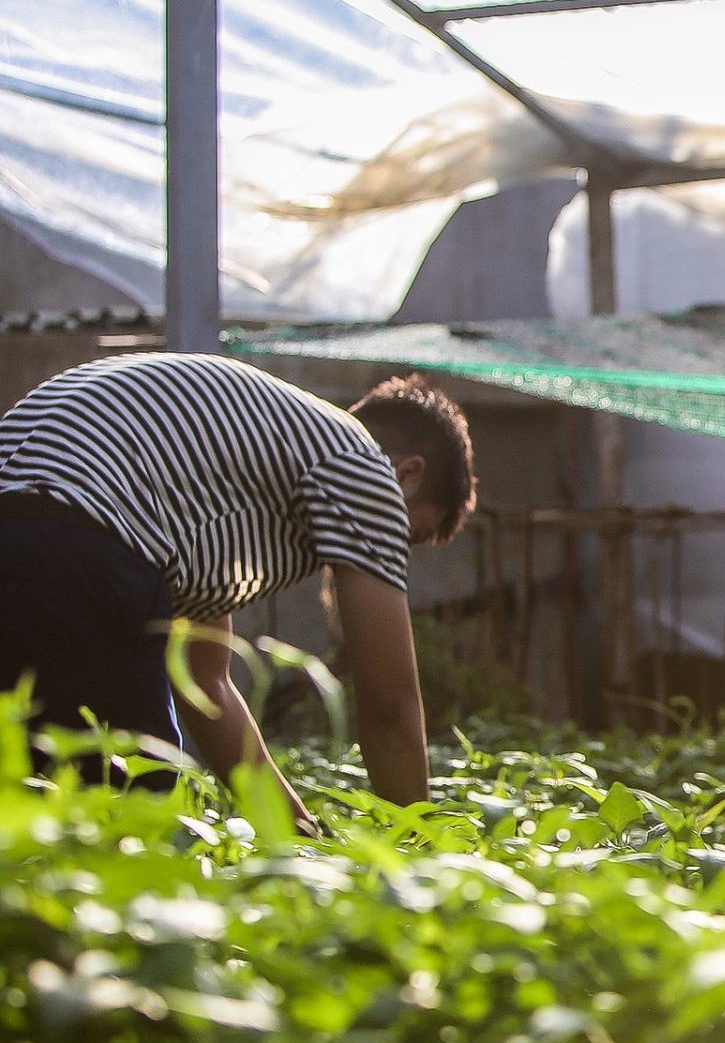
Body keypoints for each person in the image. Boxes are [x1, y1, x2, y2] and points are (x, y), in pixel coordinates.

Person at [0, 353, 475, 823]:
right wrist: (418, 853)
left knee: (28, 803)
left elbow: (208, 686)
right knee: (132, 819)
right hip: (76, 552)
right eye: (404, 535)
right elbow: (390, 705)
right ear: (408, 476)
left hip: (38, 537)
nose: (387, 554)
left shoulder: (218, 467)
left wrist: (300, 835)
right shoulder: (363, 463)